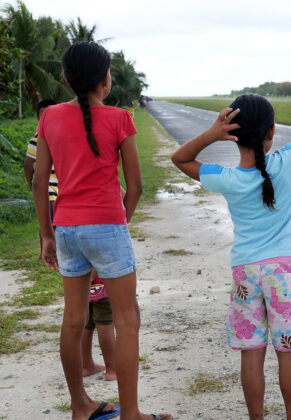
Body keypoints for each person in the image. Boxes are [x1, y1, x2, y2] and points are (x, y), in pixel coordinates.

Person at [171, 54, 291, 419]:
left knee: (252, 352)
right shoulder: (286, 163)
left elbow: (180, 159)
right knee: (288, 352)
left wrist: (212, 133)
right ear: (272, 133)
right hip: (282, 274)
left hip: (246, 273)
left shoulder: (227, 178)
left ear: (233, 136)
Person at [32, 41, 171, 420]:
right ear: (105, 81)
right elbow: (137, 186)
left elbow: (40, 182)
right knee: (128, 320)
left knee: (73, 319)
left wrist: (46, 235)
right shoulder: (119, 119)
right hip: (107, 226)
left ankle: (80, 406)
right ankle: (131, 414)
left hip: (65, 229)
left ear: (65, 78)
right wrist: (118, 225)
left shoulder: (50, 118)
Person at [24, 99, 58, 217]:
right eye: (43, 116)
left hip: (61, 190)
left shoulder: (61, 137)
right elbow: (28, 165)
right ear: (38, 119)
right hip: (47, 192)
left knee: (49, 226)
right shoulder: (36, 140)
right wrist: (31, 184)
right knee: (48, 226)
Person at [82, 270, 117, 381]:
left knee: (85, 324)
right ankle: (112, 370)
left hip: (79, 285)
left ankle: (86, 365)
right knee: (105, 323)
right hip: (101, 283)